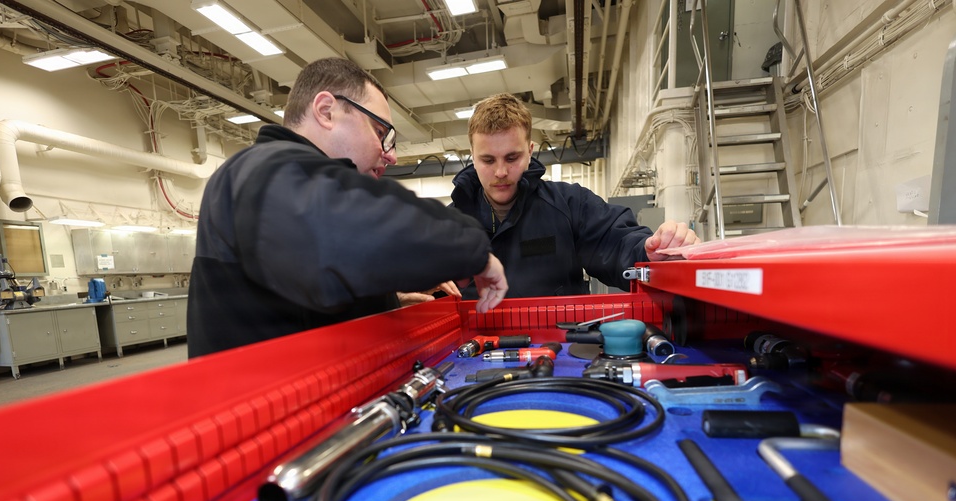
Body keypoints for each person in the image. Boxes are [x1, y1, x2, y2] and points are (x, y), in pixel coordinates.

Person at [188, 58, 508, 358]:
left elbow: (301, 291)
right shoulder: (262, 170)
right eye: (379, 132)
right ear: (326, 111)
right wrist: (470, 248)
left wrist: (385, 300)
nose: (391, 155)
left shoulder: (282, 183)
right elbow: (357, 228)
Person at [450, 93, 700, 298]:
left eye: (512, 157)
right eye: (488, 160)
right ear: (473, 156)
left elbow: (617, 244)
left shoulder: (570, 205)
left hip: (559, 342)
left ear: (530, 151)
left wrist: (649, 253)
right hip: (472, 343)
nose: (501, 172)